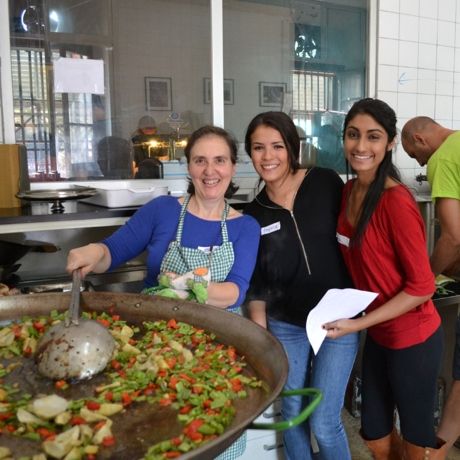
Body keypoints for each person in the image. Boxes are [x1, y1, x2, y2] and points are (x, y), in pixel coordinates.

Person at [67, 125, 260, 459]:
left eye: (219, 160)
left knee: (215, 435)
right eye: (200, 160)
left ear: (232, 166)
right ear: (188, 166)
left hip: (215, 350)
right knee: (158, 432)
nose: (209, 170)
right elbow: (113, 250)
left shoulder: (245, 227)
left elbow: (235, 292)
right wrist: (91, 253)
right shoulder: (163, 210)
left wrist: (189, 287)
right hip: (156, 347)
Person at [323, 99, 445, 459]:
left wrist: (358, 322)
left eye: (373, 137)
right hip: (378, 335)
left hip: (414, 338)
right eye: (353, 135)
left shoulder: (395, 202)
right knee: (375, 434)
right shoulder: (348, 192)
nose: (361, 147)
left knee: (415, 438)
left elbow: (422, 286)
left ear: (390, 142)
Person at [243, 111, 359, 460]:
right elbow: (257, 284)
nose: (268, 156)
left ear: (292, 148)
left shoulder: (325, 182)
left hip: (338, 321)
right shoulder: (254, 213)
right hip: (286, 324)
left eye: (277, 146)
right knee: (293, 415)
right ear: (249, 154)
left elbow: (356, 234)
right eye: (258, 148)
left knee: (324, 420)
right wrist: (261, 337)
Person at [401, 116, 460, 453]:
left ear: (420, 140)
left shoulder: (443, 158)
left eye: (415, 156)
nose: (420, 163)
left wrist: (425, 279)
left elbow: (452, 236)